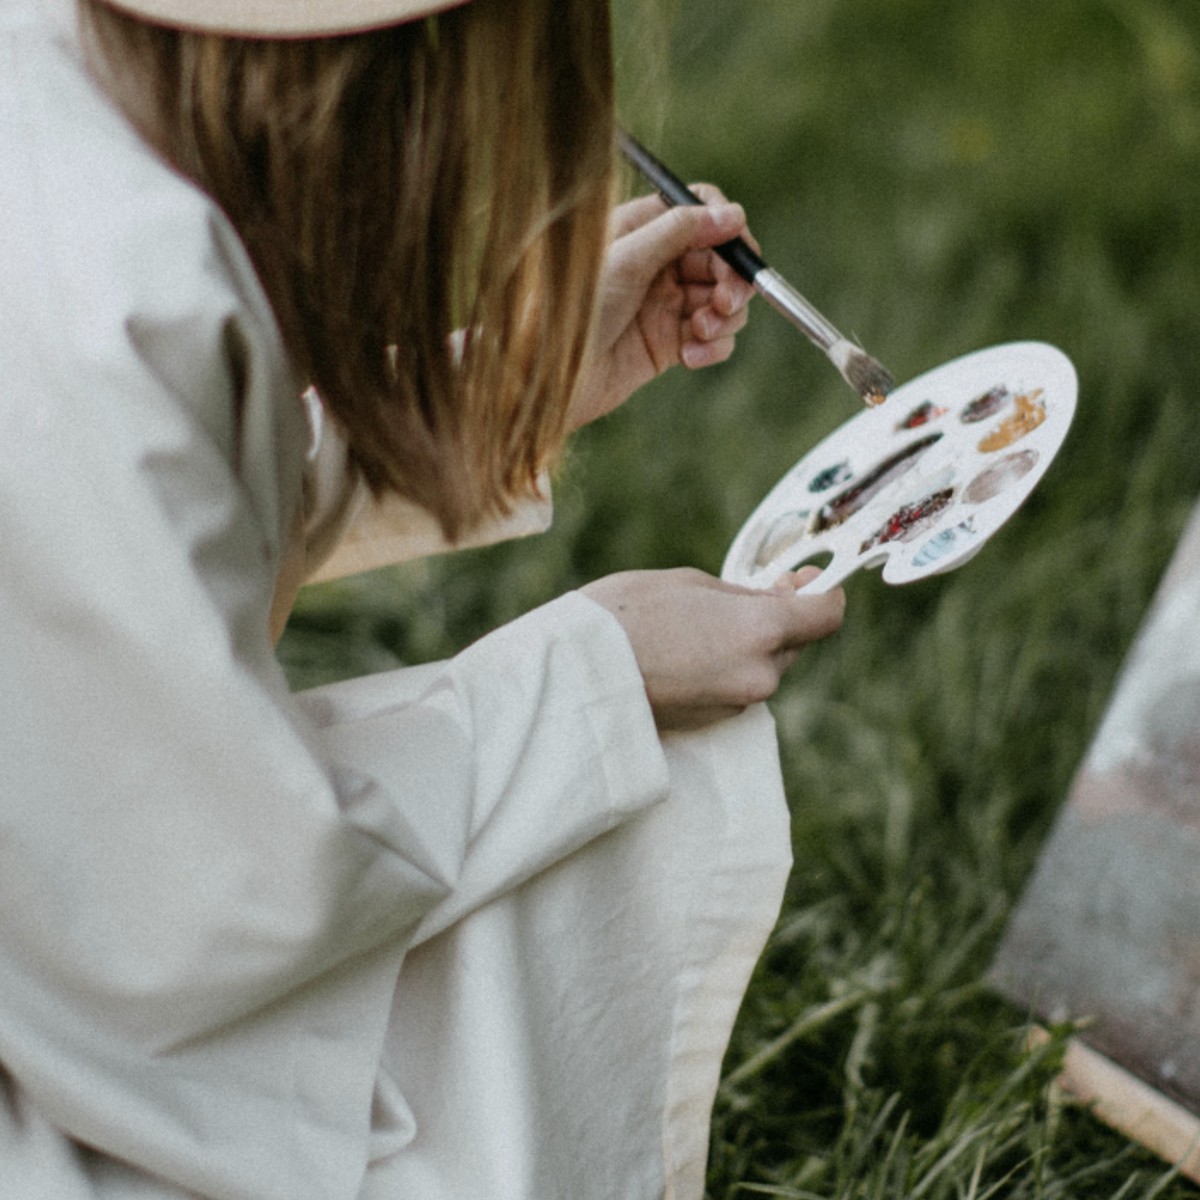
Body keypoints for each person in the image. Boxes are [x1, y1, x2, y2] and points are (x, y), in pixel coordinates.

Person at [0, 0, 846, 1195]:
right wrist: (601, 675)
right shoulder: (108, 301)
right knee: (626, 822)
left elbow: (137, 533)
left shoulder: (50, 104)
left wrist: (496, 389)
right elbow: (216, 906)